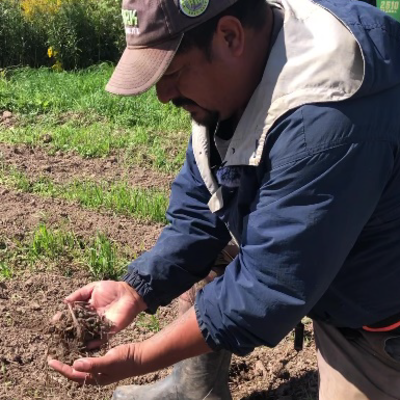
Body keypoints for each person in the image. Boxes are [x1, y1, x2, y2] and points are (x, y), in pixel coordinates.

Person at [48, 0, 400, 399]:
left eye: (174, 71)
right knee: (220, 244)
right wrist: (135, 289)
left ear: (230, 36)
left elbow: (267, 287)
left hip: (380, 317)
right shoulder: (245, 69)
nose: (163, 95)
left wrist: (139, 356)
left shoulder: (326, 121)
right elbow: (203, 205)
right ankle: (194, 390)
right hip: (335, 250)